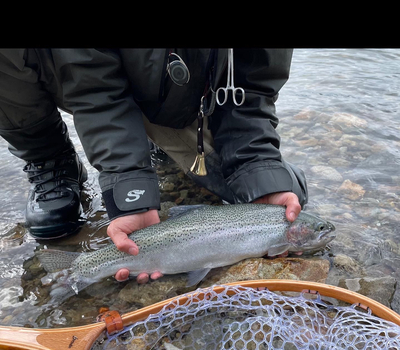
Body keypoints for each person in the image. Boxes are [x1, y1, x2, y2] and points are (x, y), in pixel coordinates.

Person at [0, 48, 308, 284]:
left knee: (285, 189)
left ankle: (160, 144)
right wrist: (129, 191)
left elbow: (253, 91)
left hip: (190, 105)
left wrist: (258, 169)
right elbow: (95, 89)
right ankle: (49, 159)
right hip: (92, 90)